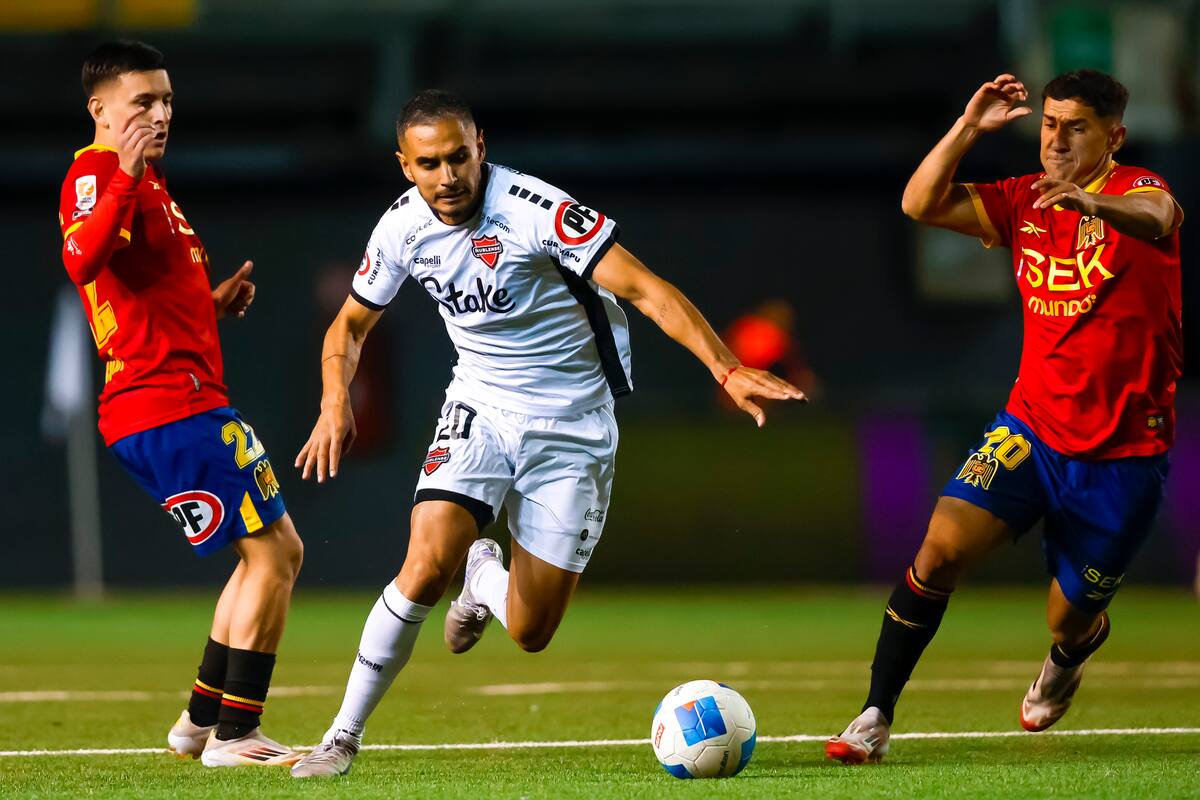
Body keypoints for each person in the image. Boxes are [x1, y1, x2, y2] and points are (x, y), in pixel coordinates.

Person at [289, 90, 806, 777]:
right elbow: (349, 325)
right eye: (429, 163)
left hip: (574, 424)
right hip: (480, 407)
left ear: (481, 149)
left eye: (458, 157)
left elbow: (646, 289)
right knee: (421, 566)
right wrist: (334, 402)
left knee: (531, 630)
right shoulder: (400, 229)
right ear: (405, 166)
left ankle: (483, 575)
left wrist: (726, 367)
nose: (447, 176)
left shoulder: (537, 212)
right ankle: (341, 738)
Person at [826, 71, 1182, 764]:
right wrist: (966, 127)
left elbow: (1159, 219)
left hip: (1123, 456)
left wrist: (1092, 204)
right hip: (1030, 431)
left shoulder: (1140, 189)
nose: (1056, 139)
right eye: (1049, 123)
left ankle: (1072, 650)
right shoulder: (1024, 200)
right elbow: (918, 201)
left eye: (1075, 127)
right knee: (938, 551)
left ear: (1114, 136)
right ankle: (873, 715)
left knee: (1068, 615)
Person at [58, 41, 304, 767]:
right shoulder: (97, 173)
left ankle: (200, 724)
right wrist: (127, 171)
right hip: (168, 405)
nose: (159, 115)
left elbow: (136, 289)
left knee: (259, 559)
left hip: (174, 400)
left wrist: (210, 304)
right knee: (277, 556)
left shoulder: (147, 184)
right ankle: (236, 735)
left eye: (166, 100)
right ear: (100, 109)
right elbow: (82, 261)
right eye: (142, 102)